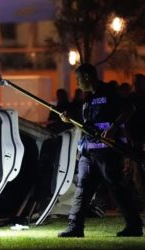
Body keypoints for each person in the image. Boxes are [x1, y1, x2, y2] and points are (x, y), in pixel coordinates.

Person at [58, 63, 143, 237]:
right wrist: (69, 119)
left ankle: (134, 226)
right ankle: (75, 227)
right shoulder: (87, 98)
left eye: (78, 78)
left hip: (107, 152)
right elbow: (87, 123)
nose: (77, 83)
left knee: (116, 187)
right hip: (88, 151)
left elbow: (129, 108)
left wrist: (113, 127)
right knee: (83, 188)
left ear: (87, 77)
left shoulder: (109, 91)